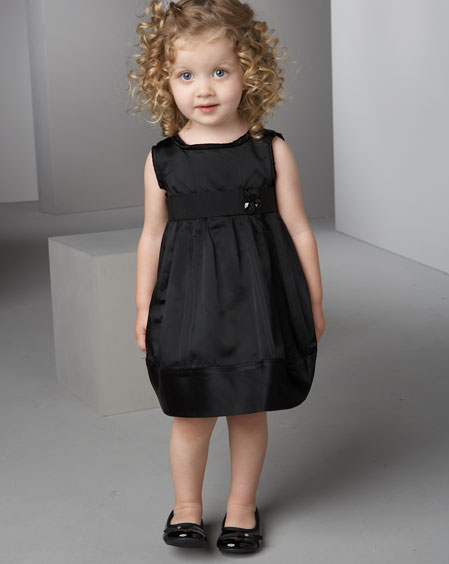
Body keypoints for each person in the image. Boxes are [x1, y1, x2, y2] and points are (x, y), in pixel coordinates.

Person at [128, 0, 325, 553]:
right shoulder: (163, 159)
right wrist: (143, 306)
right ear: (164, 82)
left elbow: (300, 230)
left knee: (247, 408)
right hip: (187, 305)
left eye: (220, 71)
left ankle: (241, 506)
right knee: (191, 414)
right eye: (186, 76)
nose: (205, 89)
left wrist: (312, 301)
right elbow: (151, 236)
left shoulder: (270, 151)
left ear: (249, 72)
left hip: (256, 304)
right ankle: (187, 506)